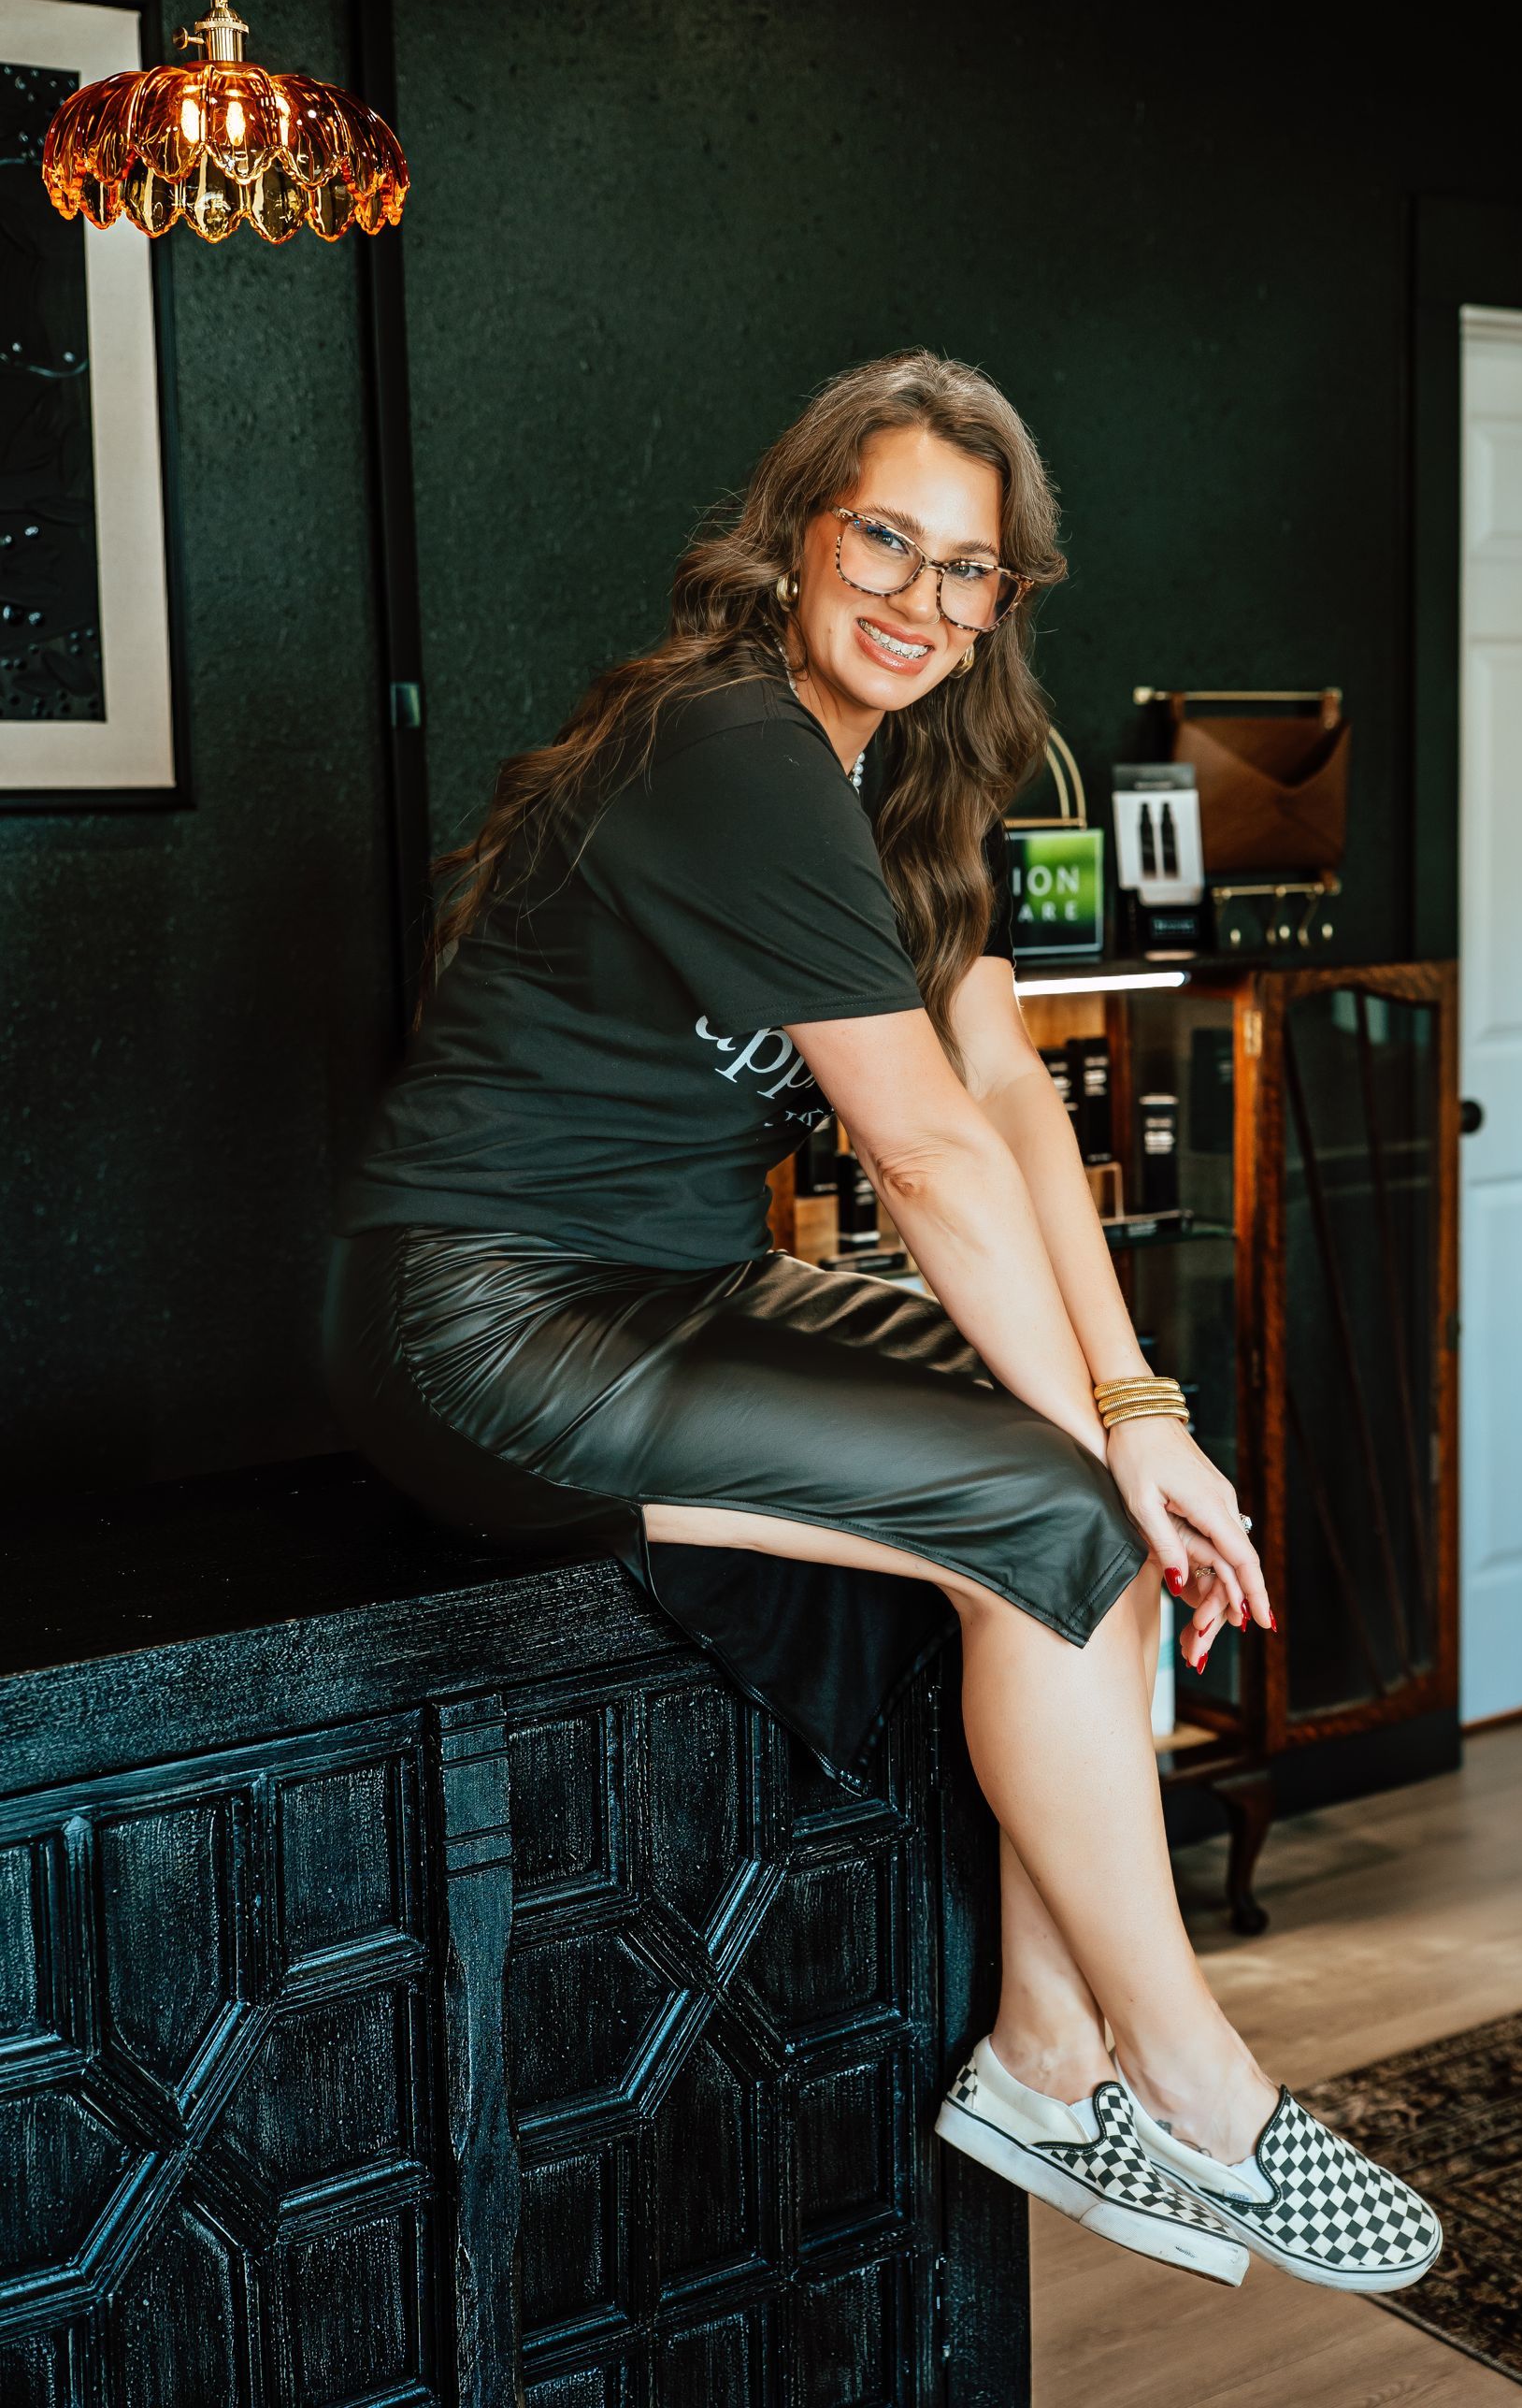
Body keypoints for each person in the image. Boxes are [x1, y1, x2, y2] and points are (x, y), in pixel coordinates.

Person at [322, 348, 1441, 2295]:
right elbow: (920, 1158)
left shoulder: (906, 780)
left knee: (1084, 1496)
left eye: (971, 569)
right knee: (1058, 1508)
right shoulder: (726, 738)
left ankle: (1042, 2047)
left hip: (678, 1290)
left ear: (1009, 600)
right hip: (483, 1316)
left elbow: (1012, 1104)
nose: (922, 599)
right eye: (885, 542)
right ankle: (1195, 2089)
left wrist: (1137, 1403)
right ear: (792, 545)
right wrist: (1109, 1441)